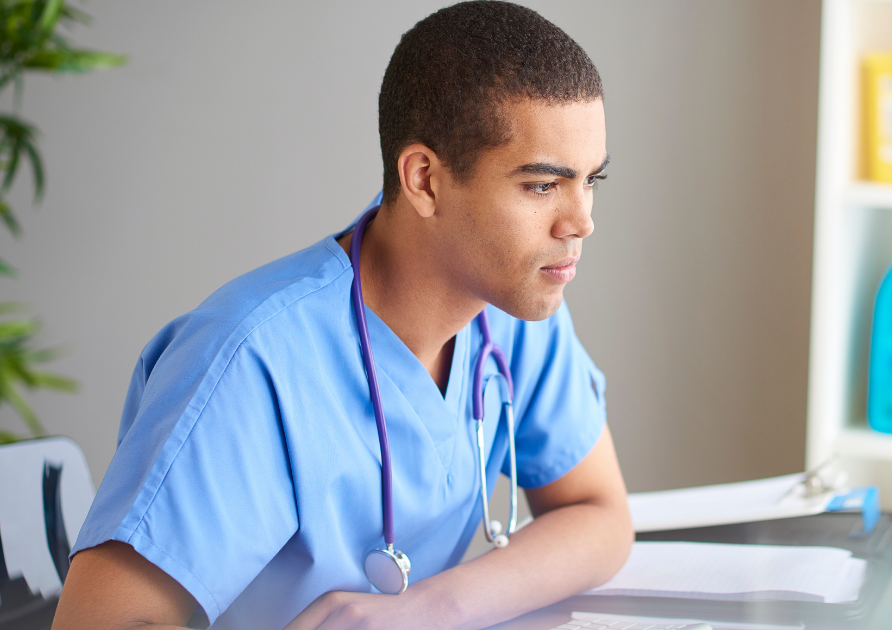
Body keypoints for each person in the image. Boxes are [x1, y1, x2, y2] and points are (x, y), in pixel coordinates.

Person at [51, 3, 633, 629]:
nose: (581, 223)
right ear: (424, 180)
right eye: (542, 186)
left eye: (590, 180)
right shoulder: (251, 362)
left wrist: (430, 609)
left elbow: (599, 514)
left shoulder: (511, 308)